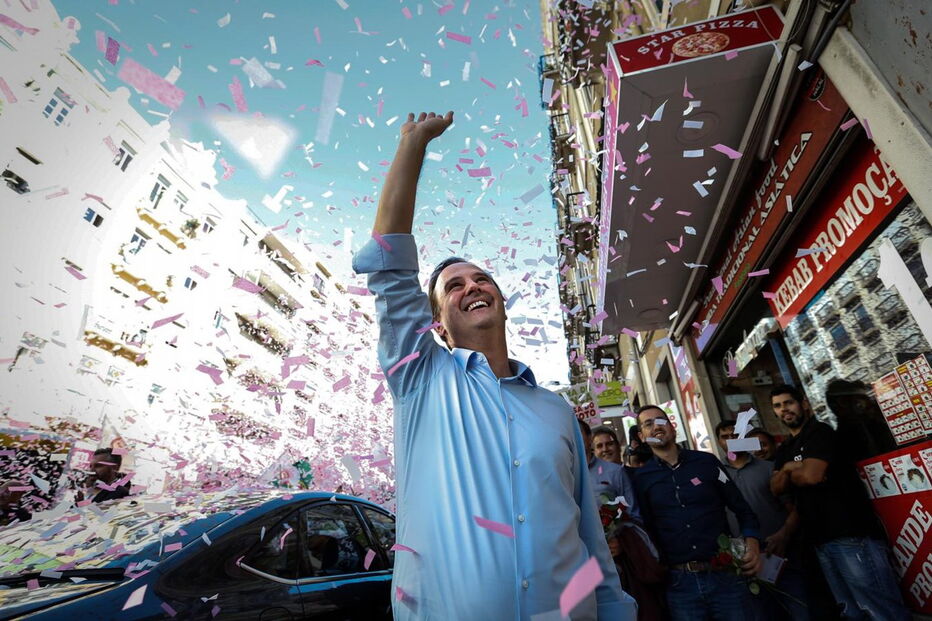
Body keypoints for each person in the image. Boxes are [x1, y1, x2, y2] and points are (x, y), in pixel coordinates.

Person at [353, 111, 635, 620]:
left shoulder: (555, 410)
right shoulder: (421, 379)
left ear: (500, 298)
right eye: (454, 287)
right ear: (435, 323)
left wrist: (612, 610)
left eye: (481, 278)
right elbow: (389, 263)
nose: (472, 287)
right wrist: (413, 144)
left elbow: (588, 535)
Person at [769, 384, 910, 620]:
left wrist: (793, 473)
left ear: (803, 404)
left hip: (850, 535)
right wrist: (789, 468)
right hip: (821, 540)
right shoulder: (786, 448)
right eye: (778, 406)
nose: (785, 410)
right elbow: (775, 487)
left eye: (789, 403)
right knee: (851, 612)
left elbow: (811, 476)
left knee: (880, 610)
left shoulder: (820, 432)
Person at [634, 404, 762, 621]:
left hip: (725, 576)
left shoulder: (707, 463)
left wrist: (753, 543)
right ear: (642, 436)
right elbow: (646, 528)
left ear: (672, 427)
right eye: (648, 424)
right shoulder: (640, 479)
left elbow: (742, 508)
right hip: (680, 585)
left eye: (660, 420)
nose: (656, 426)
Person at [715, 421, 808, 620]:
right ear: (718, 441)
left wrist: (783, 535)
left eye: (736, 434)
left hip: (779, 553)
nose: (731, 440)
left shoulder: (769, 468)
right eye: (725, 437)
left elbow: (794, 508)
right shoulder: (715, 474)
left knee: (799, 609)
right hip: (744, 561)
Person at [579, 419, 640, 522]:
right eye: (599, 446)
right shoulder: (563, 475)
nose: (605, 449)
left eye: (609, 444)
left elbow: (633, 515)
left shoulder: (618, 472)